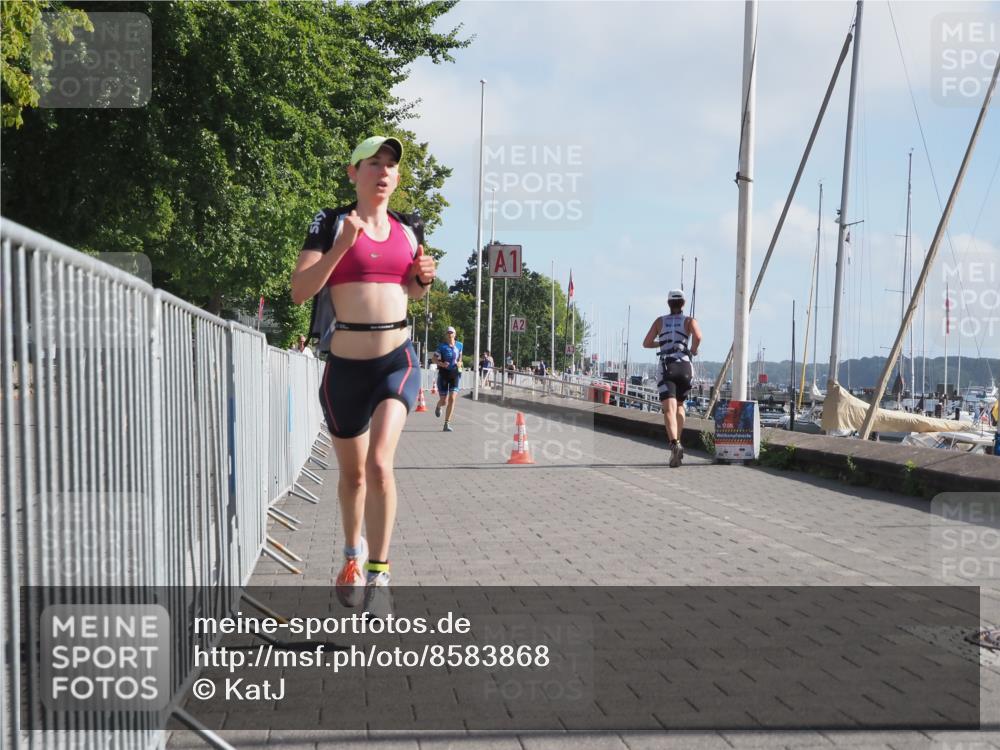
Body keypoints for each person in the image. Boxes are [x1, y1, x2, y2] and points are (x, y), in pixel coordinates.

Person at [290, 135, 435, 610]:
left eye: (391, 165)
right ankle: (352, 556)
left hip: (397, 359)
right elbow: (299, 290)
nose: (384, 172)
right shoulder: (331, 223)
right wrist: (342, 247)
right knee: (352, 476)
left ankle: (380, 576)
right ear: (354, 173)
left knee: (379, 464)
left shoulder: (408, 226)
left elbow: (412, 293)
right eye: (374, 163)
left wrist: (422, 278)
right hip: (345, 368)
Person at [642, 289, 702, 467]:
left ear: (669, 304)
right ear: (683, 304)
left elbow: (646, 343)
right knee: (681, 405)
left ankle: (674, 444)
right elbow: (698, 337)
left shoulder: (660, 321)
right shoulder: (689, 321)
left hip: (667, 366)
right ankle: (679, 440)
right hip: (685, 366)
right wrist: (692, 350)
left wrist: (663, 342)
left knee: (669, 409)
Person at [433, 327, 463, 431]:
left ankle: (446, 424)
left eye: (451, 333)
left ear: (455, 334)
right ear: (446, 335)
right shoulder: (442, 346)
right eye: (448, 333)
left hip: (455, 374)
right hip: (444, 375)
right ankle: (438, 406)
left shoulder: (459, 345)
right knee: (444, 401)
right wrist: (441, 363)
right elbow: (433, 359)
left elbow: (460, 357)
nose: (450, 335)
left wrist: (460, 363)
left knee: (452, 398)